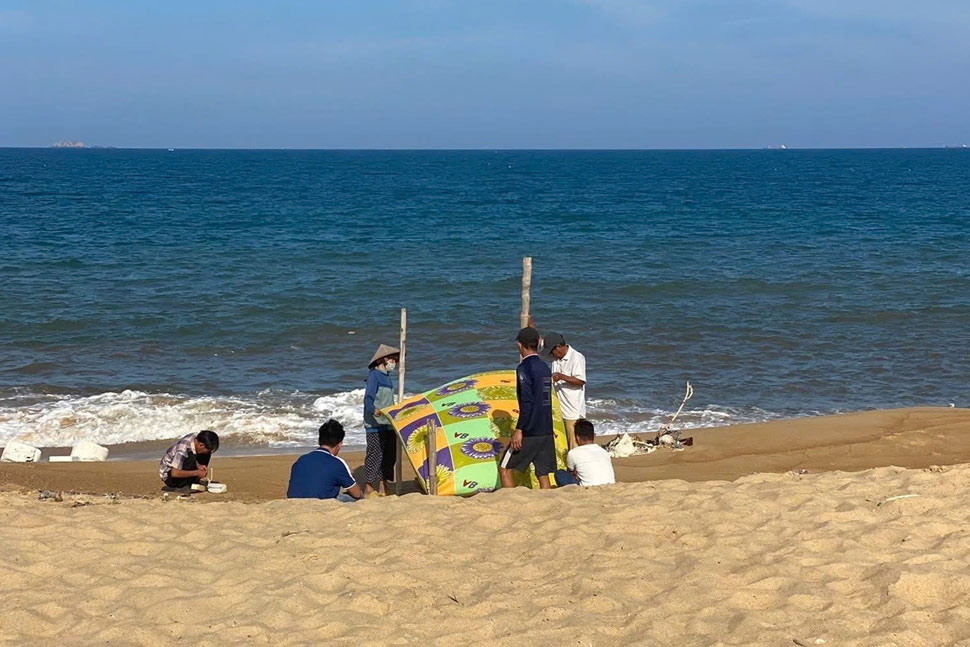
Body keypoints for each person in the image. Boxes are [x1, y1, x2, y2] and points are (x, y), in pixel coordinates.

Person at [499, 327, 556, 489]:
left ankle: (512, 503)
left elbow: (527, 402)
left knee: (504, 468)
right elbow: (545, 400)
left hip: (530, 430)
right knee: (542, 473)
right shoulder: (545, 367)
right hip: (546, 429)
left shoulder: (524, 368)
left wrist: (519, 429)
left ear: (519, 345)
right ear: (538, 343)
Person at [287, 419, 362, 502]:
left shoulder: (301, 459)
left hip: (294, 503)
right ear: (339, 444)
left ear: (319, 440)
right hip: (321, 505)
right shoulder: (337, 463)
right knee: (356, 498)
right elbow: (357, 493)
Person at [362, 343, 399, 498]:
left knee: (389, 455)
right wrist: (373, 409)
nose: (394, 362)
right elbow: (368, 398)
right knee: (375, 454)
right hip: (375, 424)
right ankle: (369, 488)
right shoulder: (374, 376)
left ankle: (384, 486)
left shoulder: (388, 378)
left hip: (388, 423)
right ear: (383, 360)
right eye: (392, 359)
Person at [544, 332, 587, 450]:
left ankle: (575, 468)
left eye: (552, 352)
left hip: (573, 411)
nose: (551, 355)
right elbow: (539, 341)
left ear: (558, 347)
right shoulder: (556, 359)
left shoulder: (576, 357)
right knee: (562, 445)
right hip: (559, 410)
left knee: (575, 446)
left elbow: (580, 381)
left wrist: (561, 377)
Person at [555, 418, 615, 487]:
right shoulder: (604, 452)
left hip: (588, 488)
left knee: (560, 474)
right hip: (610, 486)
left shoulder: (573, 453)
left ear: (577, 438)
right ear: (594, 436)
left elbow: (571, 472)